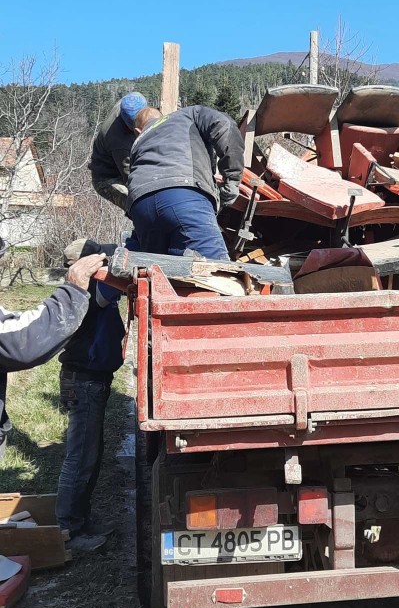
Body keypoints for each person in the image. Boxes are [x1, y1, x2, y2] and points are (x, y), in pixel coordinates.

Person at [0, 239, 107, 459]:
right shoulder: (95, 290)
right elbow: (23, 340)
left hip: (84, 375)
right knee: (81, 457)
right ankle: (73, 496)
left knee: (85, 451)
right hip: (84, 377)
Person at [55, 239, 125, 553]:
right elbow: (114, 286)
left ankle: (80, 520)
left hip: (89, 380)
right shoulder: (87, 294)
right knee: (80, 458)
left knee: (89, 456)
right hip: (83, 382)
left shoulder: (89, 293)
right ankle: (68, 529)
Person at [126, 105, 244, 259]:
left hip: (140, 207)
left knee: (160, 274)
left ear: (137, 131)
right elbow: (223, 124)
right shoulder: (188, 114)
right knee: (215, 271)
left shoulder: (137, 143)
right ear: (163, 116)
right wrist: (232, 180)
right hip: (183, 194)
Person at [89, 92, 148, 210]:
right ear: (131, 127)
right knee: (139, 205)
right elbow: (131, 179)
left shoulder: (131, 100)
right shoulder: (119, 142)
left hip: (124, 160)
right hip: (107, 178)